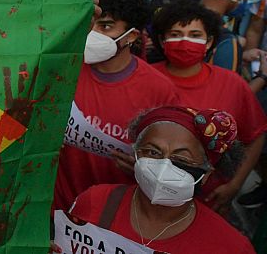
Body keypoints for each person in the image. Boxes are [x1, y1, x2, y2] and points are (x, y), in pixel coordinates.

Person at [53, 0, 179, 210]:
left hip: (116, 212)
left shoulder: (159, 90)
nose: (93, 34)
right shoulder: (63, 69)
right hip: (59, 206)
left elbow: (169, 159)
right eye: (91, 25)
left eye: (106, 27)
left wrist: (144, 168)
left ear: (131, 36)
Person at [67, 106, 255, 253]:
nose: (164, 166)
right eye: (152, 152)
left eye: (181, 159)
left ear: (206, 174)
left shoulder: (231, 247)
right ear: (136, 154)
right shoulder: (95, 201)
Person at [149, 0, 267, 211]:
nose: (185, 41)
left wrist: (235, 184)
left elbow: (256, 135)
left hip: (208, 198)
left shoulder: (232, 84)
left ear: (209, 41)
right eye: (175, 34)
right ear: (162, 40)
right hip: (146, 190)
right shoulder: (145, 78)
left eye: (195, 35)